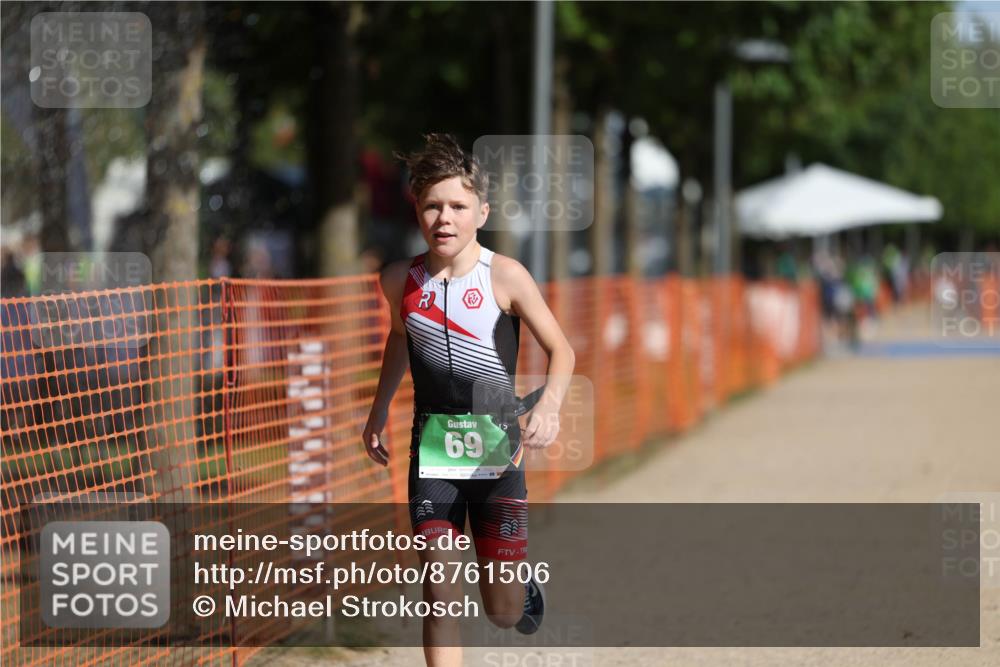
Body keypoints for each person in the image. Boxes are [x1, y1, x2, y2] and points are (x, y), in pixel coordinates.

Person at [361, 134, 575, 666]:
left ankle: (518, 592)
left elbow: (562, 349)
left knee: (501, 611)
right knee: (439, 594)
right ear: (417, 209)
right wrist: (378, 409)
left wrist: (547, 407)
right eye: (432, 206)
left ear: (482, 211)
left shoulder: (505, 276)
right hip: (433, 456)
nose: (444, 218)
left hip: (498, 455)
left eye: (457, 206)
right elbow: (399, 337)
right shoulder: (399, 280)